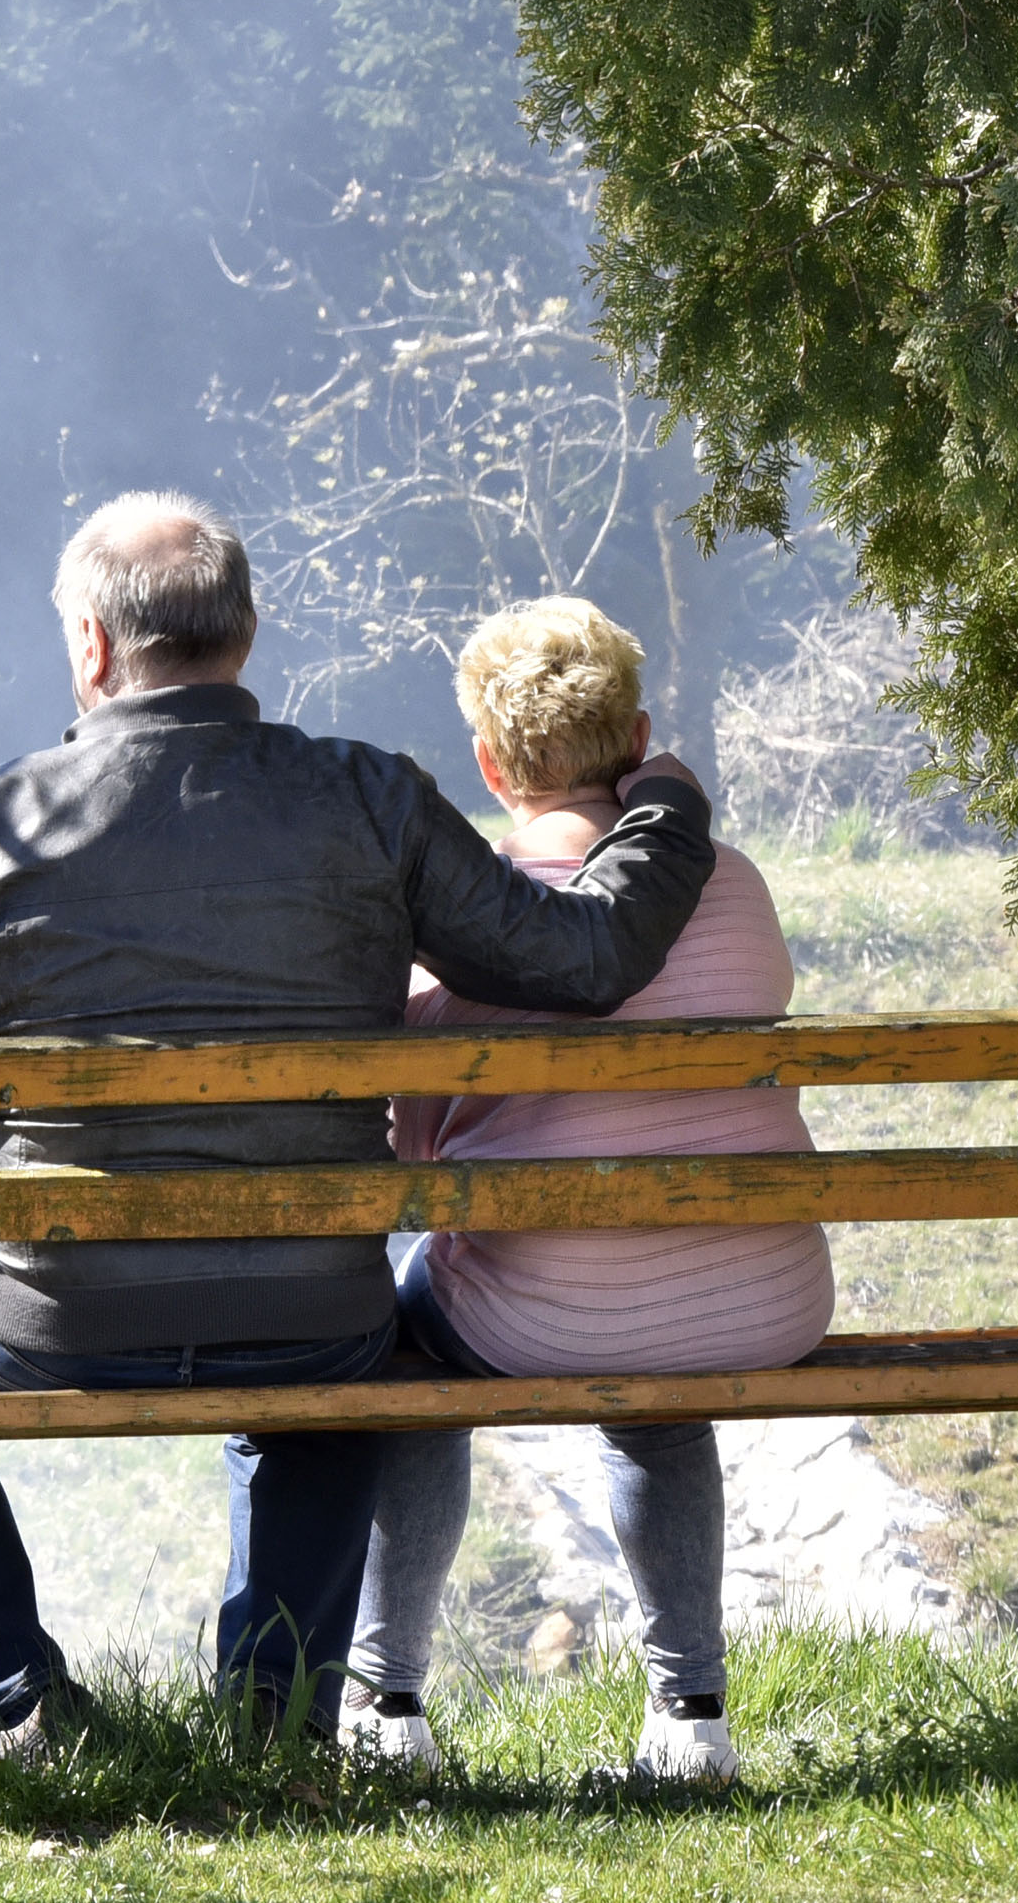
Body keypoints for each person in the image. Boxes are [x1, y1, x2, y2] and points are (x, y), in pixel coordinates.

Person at [0, 494, 720, 1758]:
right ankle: (274, 1711)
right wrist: (663, 806)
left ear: (91, 648)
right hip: (315, 1297)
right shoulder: (368, 797)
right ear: (245, 636)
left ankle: (10, 1699)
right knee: (338, 1360)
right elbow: (582, 958)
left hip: (51, 1308)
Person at [340, 595, 832, 1788]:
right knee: (660, 1384)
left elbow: (413, 1168)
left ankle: (383, 1701)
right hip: (765, 1293)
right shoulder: (740, 884)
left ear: (492, 763)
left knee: (409, 1350)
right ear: (641, 731)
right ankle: (690, 1720)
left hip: (545, 1309)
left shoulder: (477, 911)